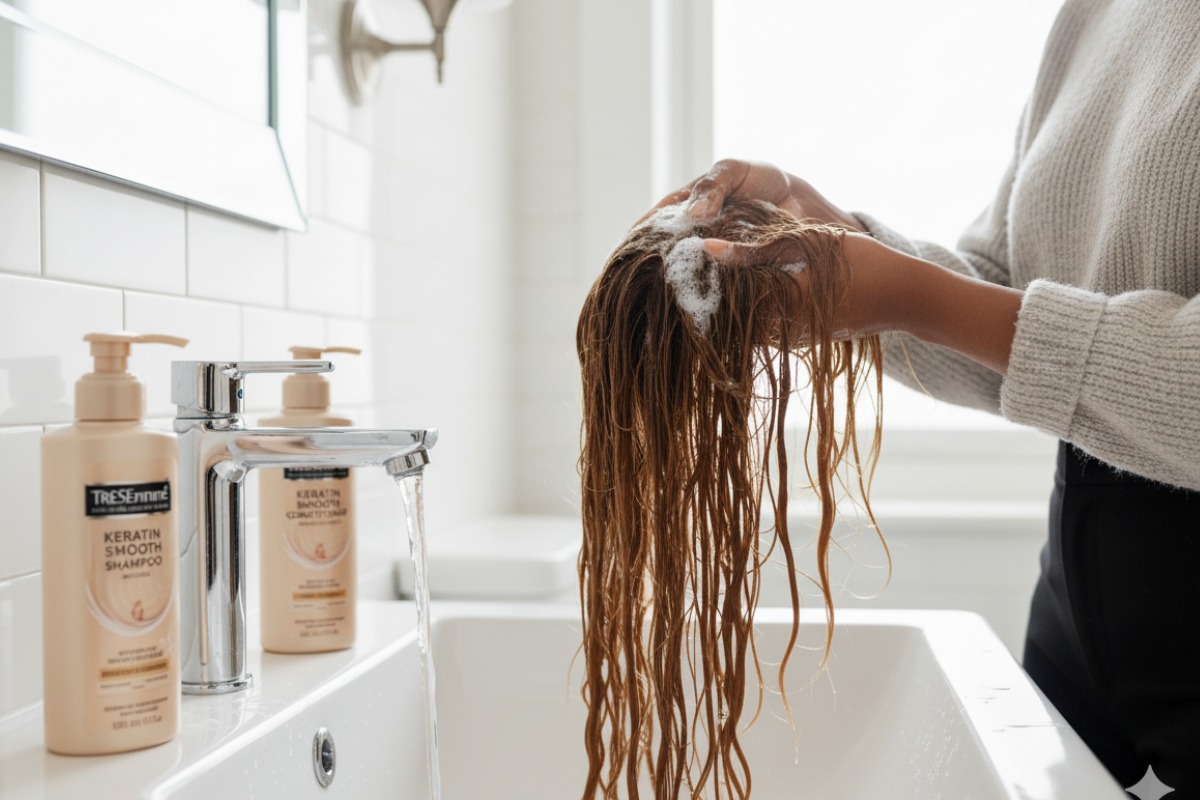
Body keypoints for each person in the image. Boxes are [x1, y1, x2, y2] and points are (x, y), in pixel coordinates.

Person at [647, 0, 1200, 793]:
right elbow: (1007, 302)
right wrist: (839, 245)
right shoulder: (1098, 13)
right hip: (1078, 587)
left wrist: (915, 297)